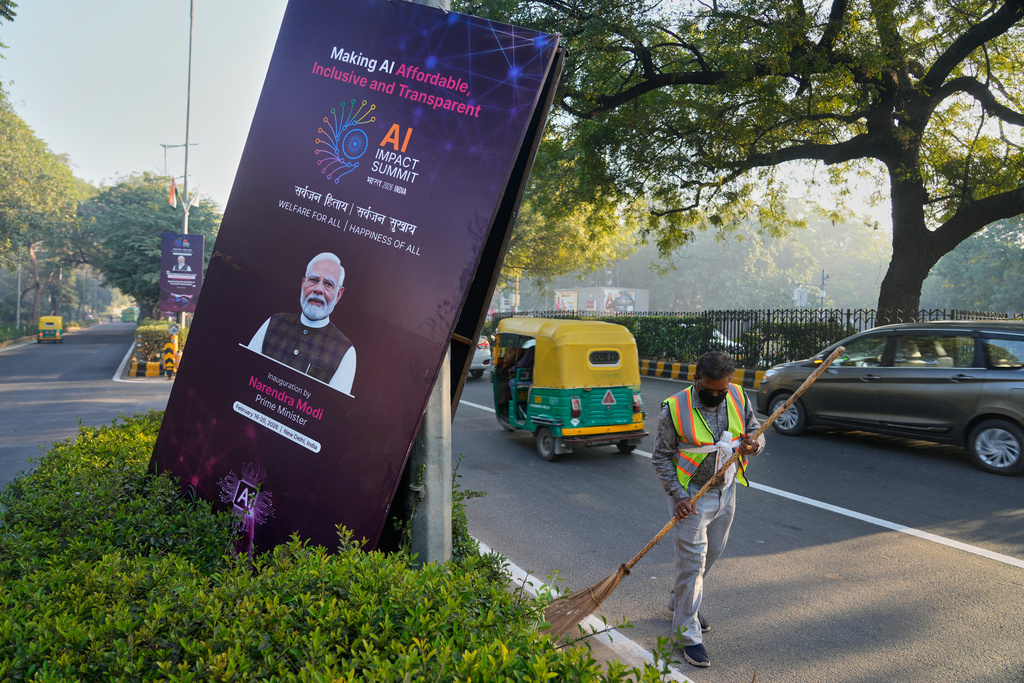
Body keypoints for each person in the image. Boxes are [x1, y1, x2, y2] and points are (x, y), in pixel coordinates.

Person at [651, 350, 765, 668]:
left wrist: (754, 445)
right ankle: (687, 636)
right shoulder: (673, 410)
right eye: (709, 389)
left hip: (726, 490)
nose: (715, 395)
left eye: (721, 390)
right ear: (697, 379)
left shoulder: (739, 396)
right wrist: (678, 495)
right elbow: (660, 457)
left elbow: (756, 431)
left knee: (711, 554)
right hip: (690, 497)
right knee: (691, 565)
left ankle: (679, 601)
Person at [247, 252, 356, 395]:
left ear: (338, 294)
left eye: (328, 284)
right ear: (303, 284)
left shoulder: (345, 352)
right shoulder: (273, 323)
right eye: (313, 280)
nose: (318, 289)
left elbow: (330, 411)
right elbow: (245, 373)